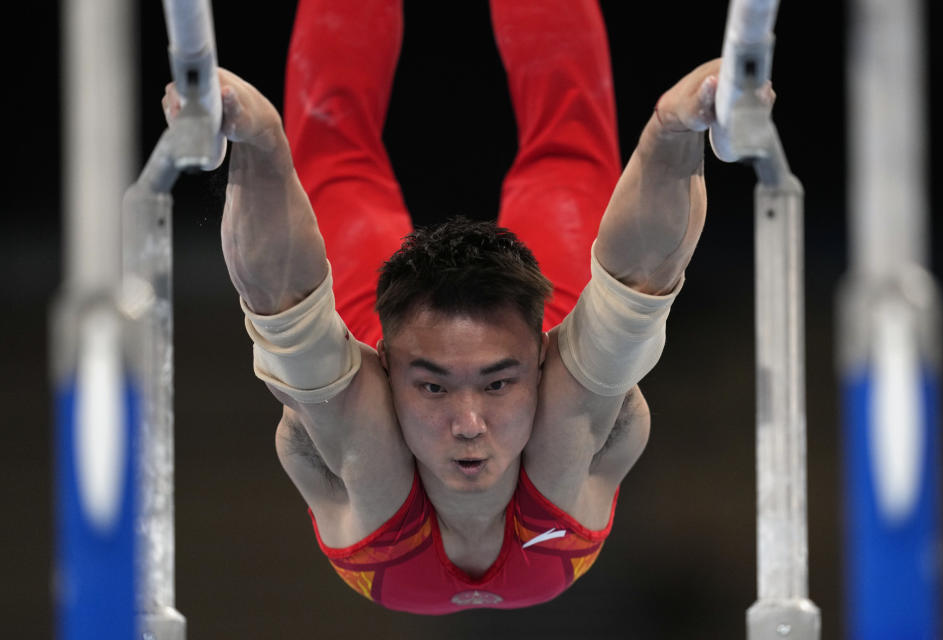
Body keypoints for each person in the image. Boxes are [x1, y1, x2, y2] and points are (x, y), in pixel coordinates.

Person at [162, 0, 738, 615]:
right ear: (385, 367)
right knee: (570, 171)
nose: (469, 423)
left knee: (328, 180)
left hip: (486, 354)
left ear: (540, 359)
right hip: (420, 360)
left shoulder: (557, 393)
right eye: (435, 390)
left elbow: (279, 304)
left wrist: (261, 140)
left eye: (495, 386)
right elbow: (643, 278)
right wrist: (675, 137)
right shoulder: (370, 413)